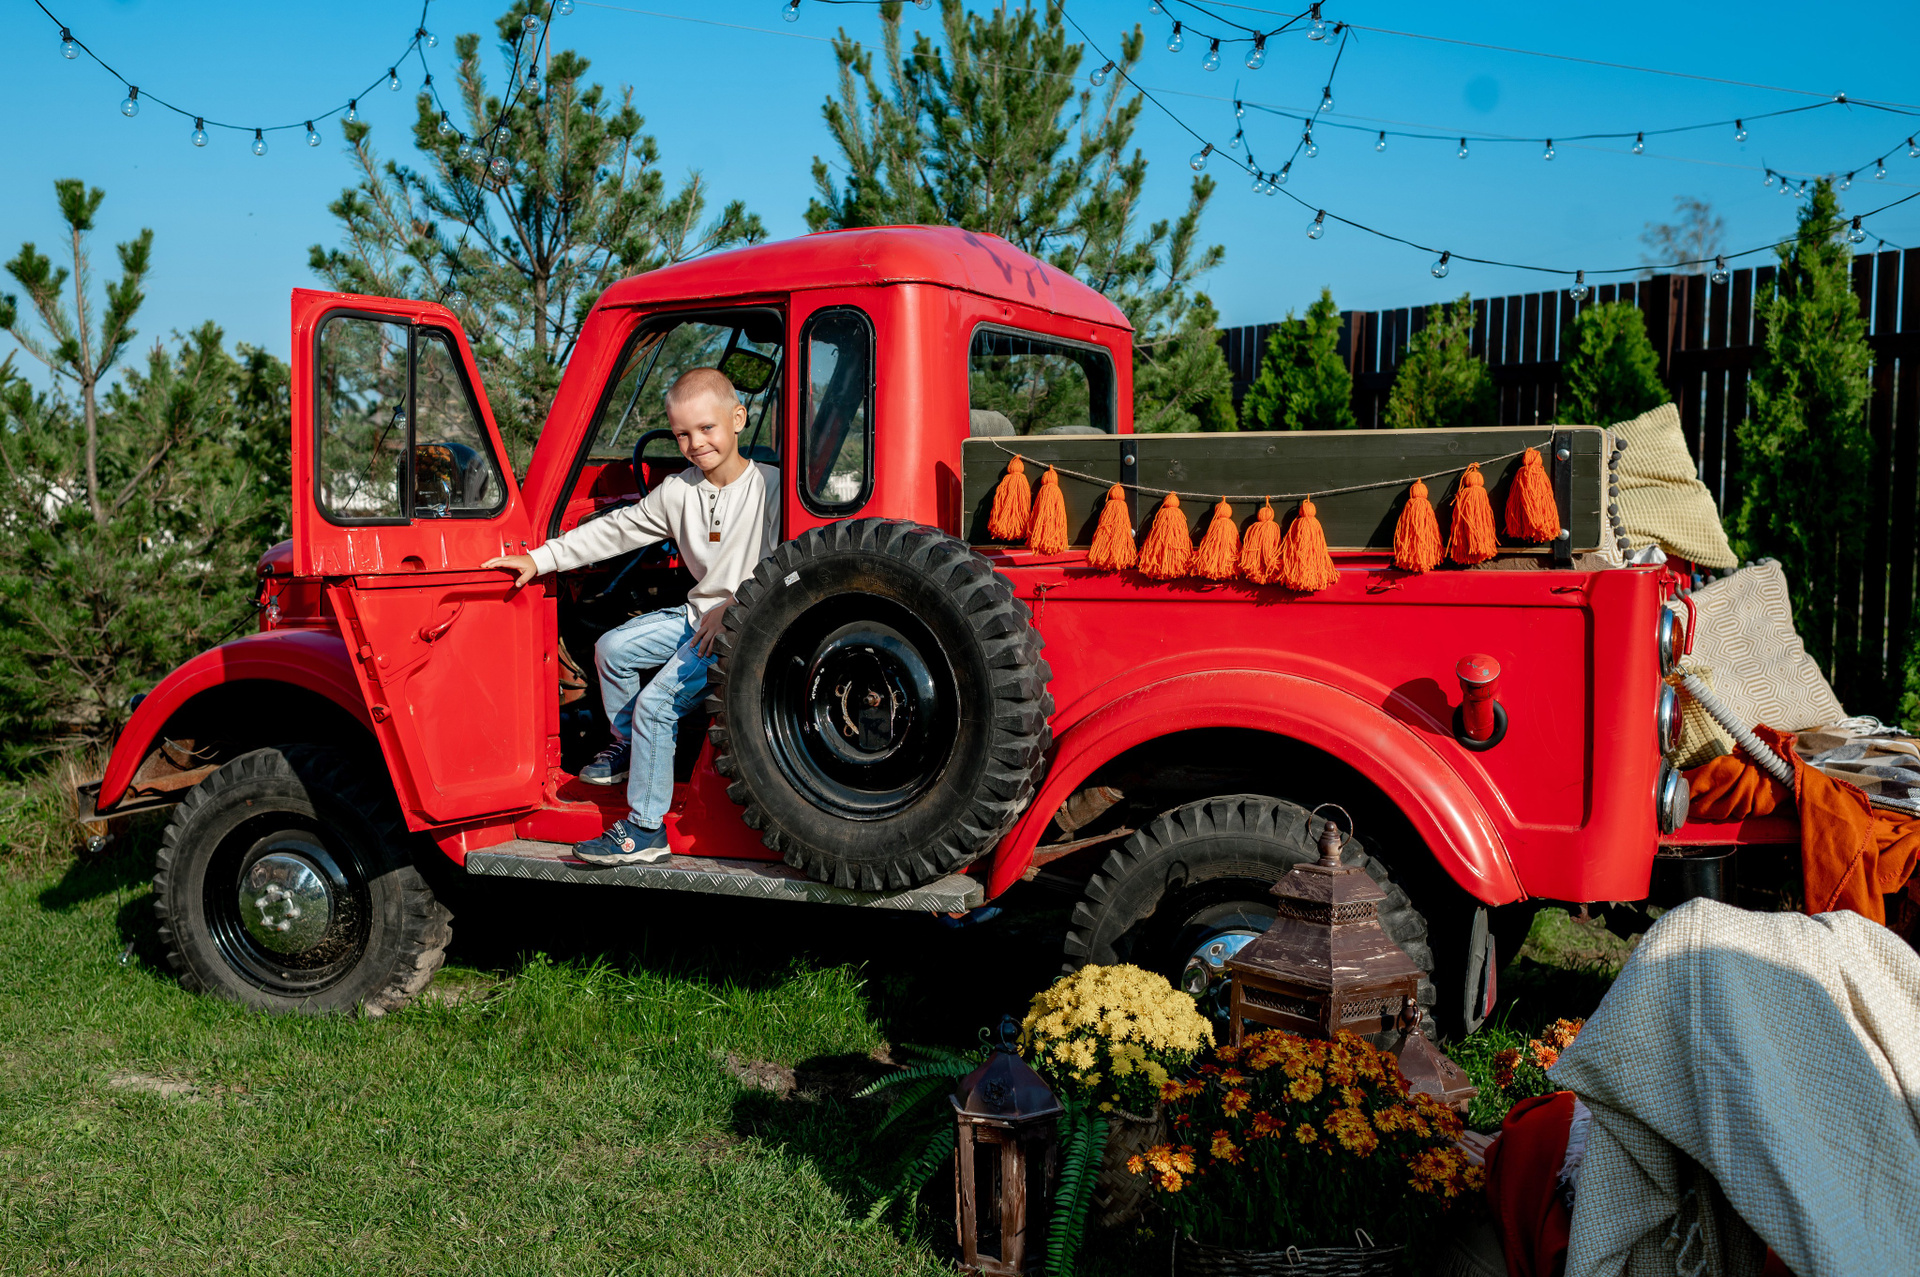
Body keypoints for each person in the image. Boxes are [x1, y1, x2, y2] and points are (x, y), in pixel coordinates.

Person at [483, 367, 779, 866]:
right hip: (697, 615)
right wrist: (540, 559)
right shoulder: (678, 491)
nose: (695, 444)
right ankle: (626, 747)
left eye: (706, 428)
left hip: (744, 626)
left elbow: (790, 564)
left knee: (656, 707)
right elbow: (616, 530)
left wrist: (736, 604)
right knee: (612, 649)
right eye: (682, 434)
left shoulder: (771, 488)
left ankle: (645, 829)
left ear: (738, 419)